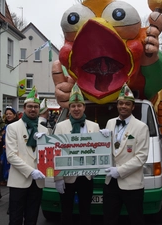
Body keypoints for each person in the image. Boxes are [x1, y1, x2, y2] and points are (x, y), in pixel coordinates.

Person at [102, 83, 149, 225]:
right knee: (109, 219)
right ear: (117, 105)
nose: (123, 106)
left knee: (136, 219)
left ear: (133, 107)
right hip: (110, 182)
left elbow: (141, 156)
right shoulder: (110, 123)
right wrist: (100, 141)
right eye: (121, 103)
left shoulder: (141, 127)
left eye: (127, 104)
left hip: (132, 184)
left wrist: (120, 171)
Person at [54, 83, 100, 225]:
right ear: (69, 108)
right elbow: (56, 153)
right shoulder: (61, 126)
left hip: (86, 176)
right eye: (73, 106)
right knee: (66, 212)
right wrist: (58, 178)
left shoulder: (94, 126)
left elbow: (98, 151)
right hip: (67, 177)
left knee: (85, 211)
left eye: (79, 105)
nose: (76, 109)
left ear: (84, 107)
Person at [5, 86, 48, 225]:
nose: (33, 109)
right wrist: (31, 171)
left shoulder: (44, 130)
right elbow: (11, 156)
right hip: (19, 180)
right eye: (30, 106)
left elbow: (48, 155)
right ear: (24, 108)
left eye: (36, 106)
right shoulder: (13, 127)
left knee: (32, 218)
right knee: (15, 218)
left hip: (38, 182)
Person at [0, 107, 19, 186]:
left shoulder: (17, 125)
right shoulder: (5, 125)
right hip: (5, 151)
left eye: (10, 114)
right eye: (7, 114)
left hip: (14, 150)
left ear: (14, 115)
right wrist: (0, 137)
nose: (8, 115)